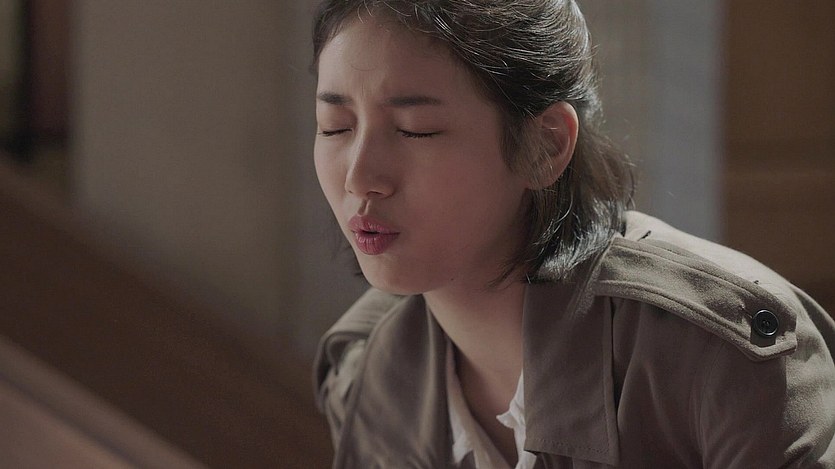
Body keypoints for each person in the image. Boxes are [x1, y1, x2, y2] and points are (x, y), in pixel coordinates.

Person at [310, 1, 835, 467]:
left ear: (545, 146)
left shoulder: (719, 357)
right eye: (335, 126)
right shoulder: (367, 375)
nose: (358, 177)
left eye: (415, 129)